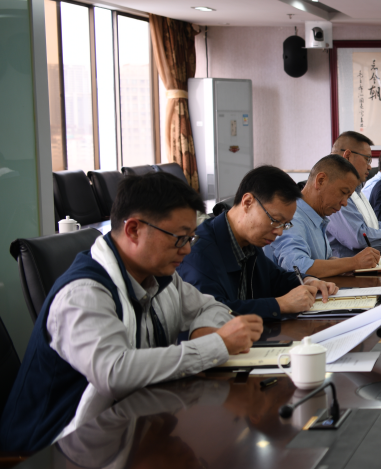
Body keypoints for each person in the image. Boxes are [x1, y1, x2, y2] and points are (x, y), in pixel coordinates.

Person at [0, 172, 262, 454]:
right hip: (52, 453)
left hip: (124, 431)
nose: (187, 250)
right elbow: (115, 373)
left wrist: (203, 331)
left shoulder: (159, 275)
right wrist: (214, 346)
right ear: (134, 229)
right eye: (179, 238)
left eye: (191, 238)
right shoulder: (83, 293)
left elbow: (210, 306)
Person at [178, 165, 340, 318]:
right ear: (248, 202)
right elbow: (210, 315)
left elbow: (275, 278)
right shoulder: (198, 252)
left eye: (285, 224)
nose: (279, 232)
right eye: (275, 220)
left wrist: (307, 280)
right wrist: (279, 305)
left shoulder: (248, 242)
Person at [264, 154, 380, 277]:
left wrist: (354, 262)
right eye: (343, 192)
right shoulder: (293, 217)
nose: (345, 203)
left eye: (348, 197)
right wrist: (354, 262)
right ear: (320, 181)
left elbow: (325, 260)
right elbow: (297, 268)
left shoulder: (317, 217)